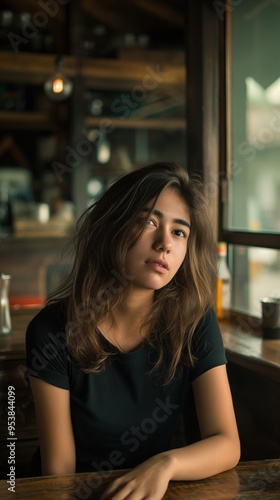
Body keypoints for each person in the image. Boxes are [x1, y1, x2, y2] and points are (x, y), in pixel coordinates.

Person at [26, 161, 240, 499]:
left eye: (179, 231)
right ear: (112, 226)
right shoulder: (52, 330)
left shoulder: (195, 321)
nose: (164, 243)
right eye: (149, 221)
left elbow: (227, 442)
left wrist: (164, 465)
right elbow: (58, 473)